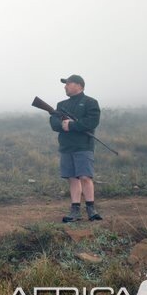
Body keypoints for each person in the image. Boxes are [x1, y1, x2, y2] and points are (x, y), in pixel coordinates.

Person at [49, 75, 102, 222]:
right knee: (72, 178)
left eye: (68, 83)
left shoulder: (90, 102)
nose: (65, 86)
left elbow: (91, 122)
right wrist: (63, 125)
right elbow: (54, 123)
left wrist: (71, 125)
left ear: (79, 85)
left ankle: (91, 209)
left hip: (84, 145)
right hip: (66, 146)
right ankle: (75, 210)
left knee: (85, 177)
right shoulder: (61, 105)